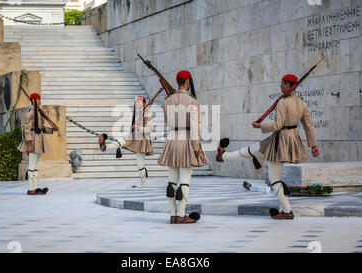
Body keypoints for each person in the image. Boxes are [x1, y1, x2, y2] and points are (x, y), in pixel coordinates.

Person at [216, 74, 320, 219]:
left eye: (283, 84)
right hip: (291, 139)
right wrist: (313, 145)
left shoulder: (283, 103)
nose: (280, 86)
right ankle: (225, 156)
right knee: (257, 147)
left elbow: (277, 125)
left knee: (274, 178)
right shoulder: (301, 103)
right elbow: (308, 125)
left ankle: (288, 211)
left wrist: (260, 126)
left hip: (281, 139)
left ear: (290, 86)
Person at [158, 70, 209, 224]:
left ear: (177, 81)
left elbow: (167, 121)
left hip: (172, 139)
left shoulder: (168, 100)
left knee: (171, 181)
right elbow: (194, 126)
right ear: (187, 82)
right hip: (186, 139)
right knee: (185, 180)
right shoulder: (192, 101)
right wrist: (196, 146)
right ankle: (181, 214)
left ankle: (173, 214)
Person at [98, 96, 154, 187]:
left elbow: (149, 130)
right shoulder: (137, 113)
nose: (137, 104)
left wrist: (139, 128)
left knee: (140, 164)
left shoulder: (147, 114)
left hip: (142, 140)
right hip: (134, 136)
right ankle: (105, 147)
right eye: (136, 102)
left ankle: (143, 185)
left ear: (144, 103)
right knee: (122, 141)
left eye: (139, 102)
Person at [17, 93, 52, 195]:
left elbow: (42, 127)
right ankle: (31, 188)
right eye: (35, 100)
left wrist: (52, 130)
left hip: (40, 139)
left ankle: (35, 187)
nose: (38, 101)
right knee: (31, 166)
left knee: (36, 166)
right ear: (32, 100)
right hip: (33, 139)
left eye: (38, 99)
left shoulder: (39, 111)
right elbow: (26, 128)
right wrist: (29, 143)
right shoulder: (30, 111)